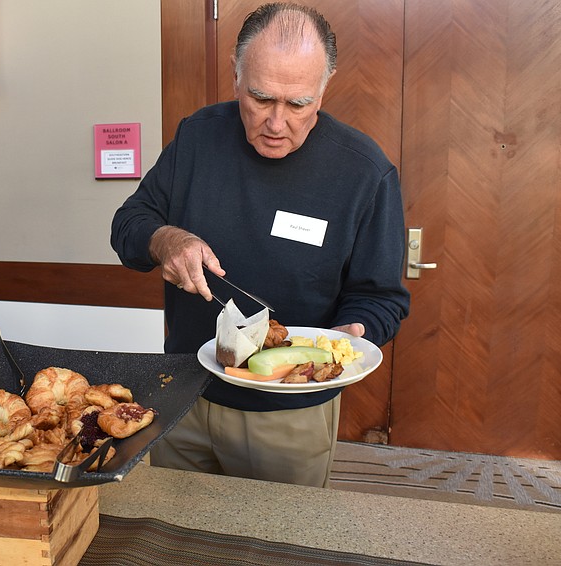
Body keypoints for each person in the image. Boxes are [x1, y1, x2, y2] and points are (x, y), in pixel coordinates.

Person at [110, 3, 410, 487]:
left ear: (324, 88)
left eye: (298, 104)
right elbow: (128, 225)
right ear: (236, 75)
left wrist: (357, 331)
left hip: (287, 414)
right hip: (182, 397)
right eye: (261, 98)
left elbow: (381, 299)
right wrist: (166, 238)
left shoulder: (364, 172)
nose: (276, 122)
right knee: (172, 541)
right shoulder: (198, 137)